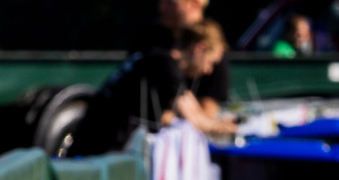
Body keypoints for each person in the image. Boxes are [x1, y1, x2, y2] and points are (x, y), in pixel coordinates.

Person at [71, 19, 236, 155]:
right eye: (210, 62)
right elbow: (191, 118)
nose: (208, 70)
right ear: (200, 47)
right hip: (100, 150)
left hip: (97, 146)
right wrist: (220, 128)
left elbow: (189, 109)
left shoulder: (161, 59)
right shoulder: (166, 66)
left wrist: (216, 123)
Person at [128, 0, 231, 120]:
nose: (162, 7)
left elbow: (206, 117)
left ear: (194, 3)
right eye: (161, 0)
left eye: (170, 2)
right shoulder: (148, 38)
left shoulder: (212, 51)